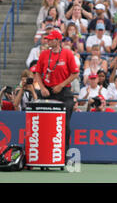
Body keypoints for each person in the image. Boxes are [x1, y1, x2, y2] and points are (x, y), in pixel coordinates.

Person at [34, 30, 79, 160]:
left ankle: (63, 156)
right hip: (47, 92)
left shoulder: (67, 53)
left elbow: (75, 73)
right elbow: (37, 72)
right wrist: (42, 88)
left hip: (64, 92)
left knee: (64, 125)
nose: (47, 41)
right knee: (42, 124)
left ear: (58, 40)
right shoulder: (44, 54)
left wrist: (61, 85)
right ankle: (42, 154)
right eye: (47, 39)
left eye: (50, 39)